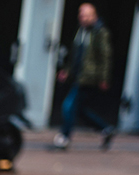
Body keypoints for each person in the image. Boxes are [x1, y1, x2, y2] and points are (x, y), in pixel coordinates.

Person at [53, 3, 115, 150]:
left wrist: (104, 78)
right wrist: (67, 70)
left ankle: (64, 137)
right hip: (78, 76)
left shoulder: (100, 33)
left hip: (89, 77)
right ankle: (106, 129)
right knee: (79, 109)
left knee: (68, 106)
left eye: (86, 15)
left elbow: (105, 57)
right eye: (81, 14)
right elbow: (75, 55)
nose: (83, 18)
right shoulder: (80, 32)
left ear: (94, 17)